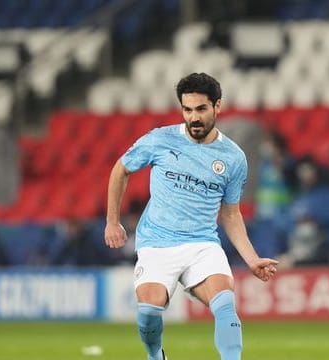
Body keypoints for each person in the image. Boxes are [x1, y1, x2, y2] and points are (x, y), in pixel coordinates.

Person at [104, 72, 278, 360]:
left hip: (202, 245)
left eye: (201, 109)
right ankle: (156, 355)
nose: (193, 117)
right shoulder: (160, 140)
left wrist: (252, 259)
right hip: (157, 243)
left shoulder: (233, 158)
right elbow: (120, 169)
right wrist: (112, 220)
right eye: (187, 110)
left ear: (217, 106)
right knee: (148, 313)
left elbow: (231, 215)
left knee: (225, 303)